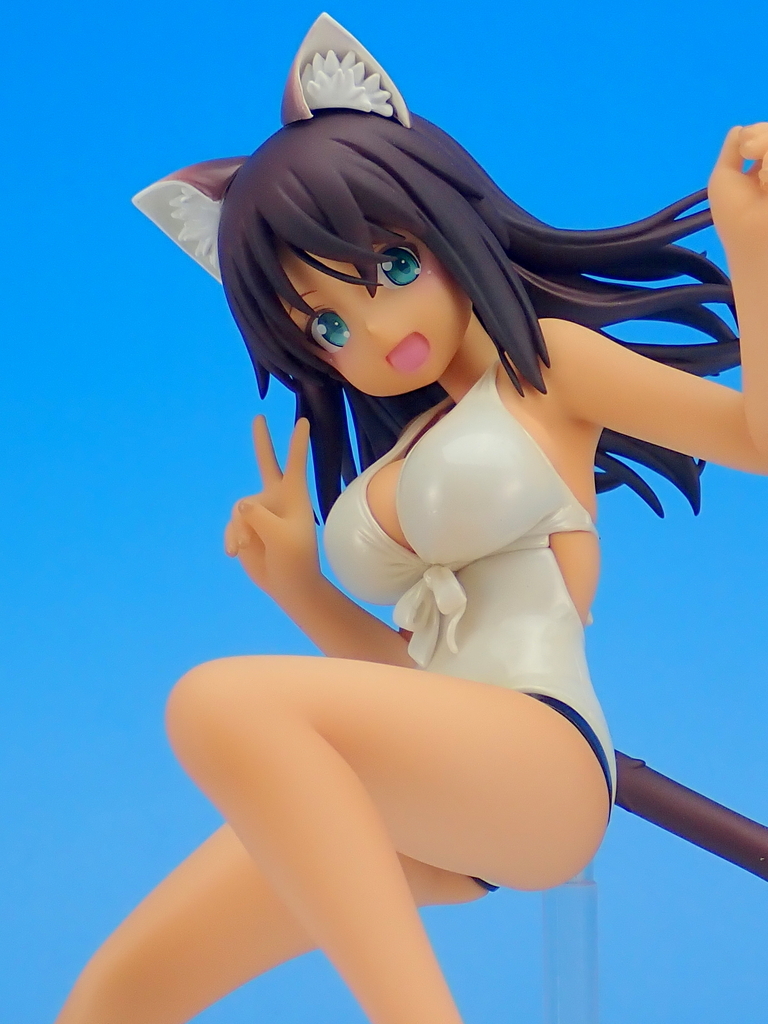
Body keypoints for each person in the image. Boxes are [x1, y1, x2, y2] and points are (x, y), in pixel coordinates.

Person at [54, 13, 768, 1024]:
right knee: (120, 993)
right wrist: (297, 583)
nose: (378, 328)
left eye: (391, 267)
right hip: (446, 786)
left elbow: (757, 437)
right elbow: (416, 681)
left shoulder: (546, 373)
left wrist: (752, 246)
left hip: (544, 764)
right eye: (328, 323)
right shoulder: (404, 450)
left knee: (217, 703)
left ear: (442, 221)